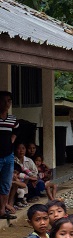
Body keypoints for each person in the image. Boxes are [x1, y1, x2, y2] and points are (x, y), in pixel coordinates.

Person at [0, 90, 18, 219]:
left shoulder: (12, 119)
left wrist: (11, 141)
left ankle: (2, 211)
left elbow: (16, 131)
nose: (7, 104)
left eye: (9, 101)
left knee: (6, 183)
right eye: (4, 101)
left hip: (8, 156)